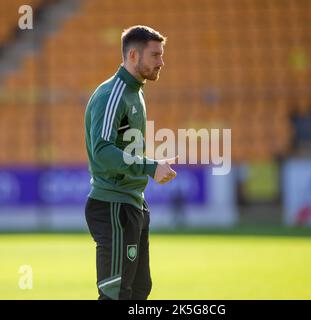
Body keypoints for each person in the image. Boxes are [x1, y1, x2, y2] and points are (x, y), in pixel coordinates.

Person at [84, 25, 177, 300]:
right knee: (116, 295)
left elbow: (126, 149)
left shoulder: (136, 91)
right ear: (134, 55)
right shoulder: (112, 94)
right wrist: (149, 167)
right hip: (113, 206)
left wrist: (151, 164)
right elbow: (102, 150)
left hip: (133, 202)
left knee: (138, 290)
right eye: (155, 55)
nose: (162, 61)